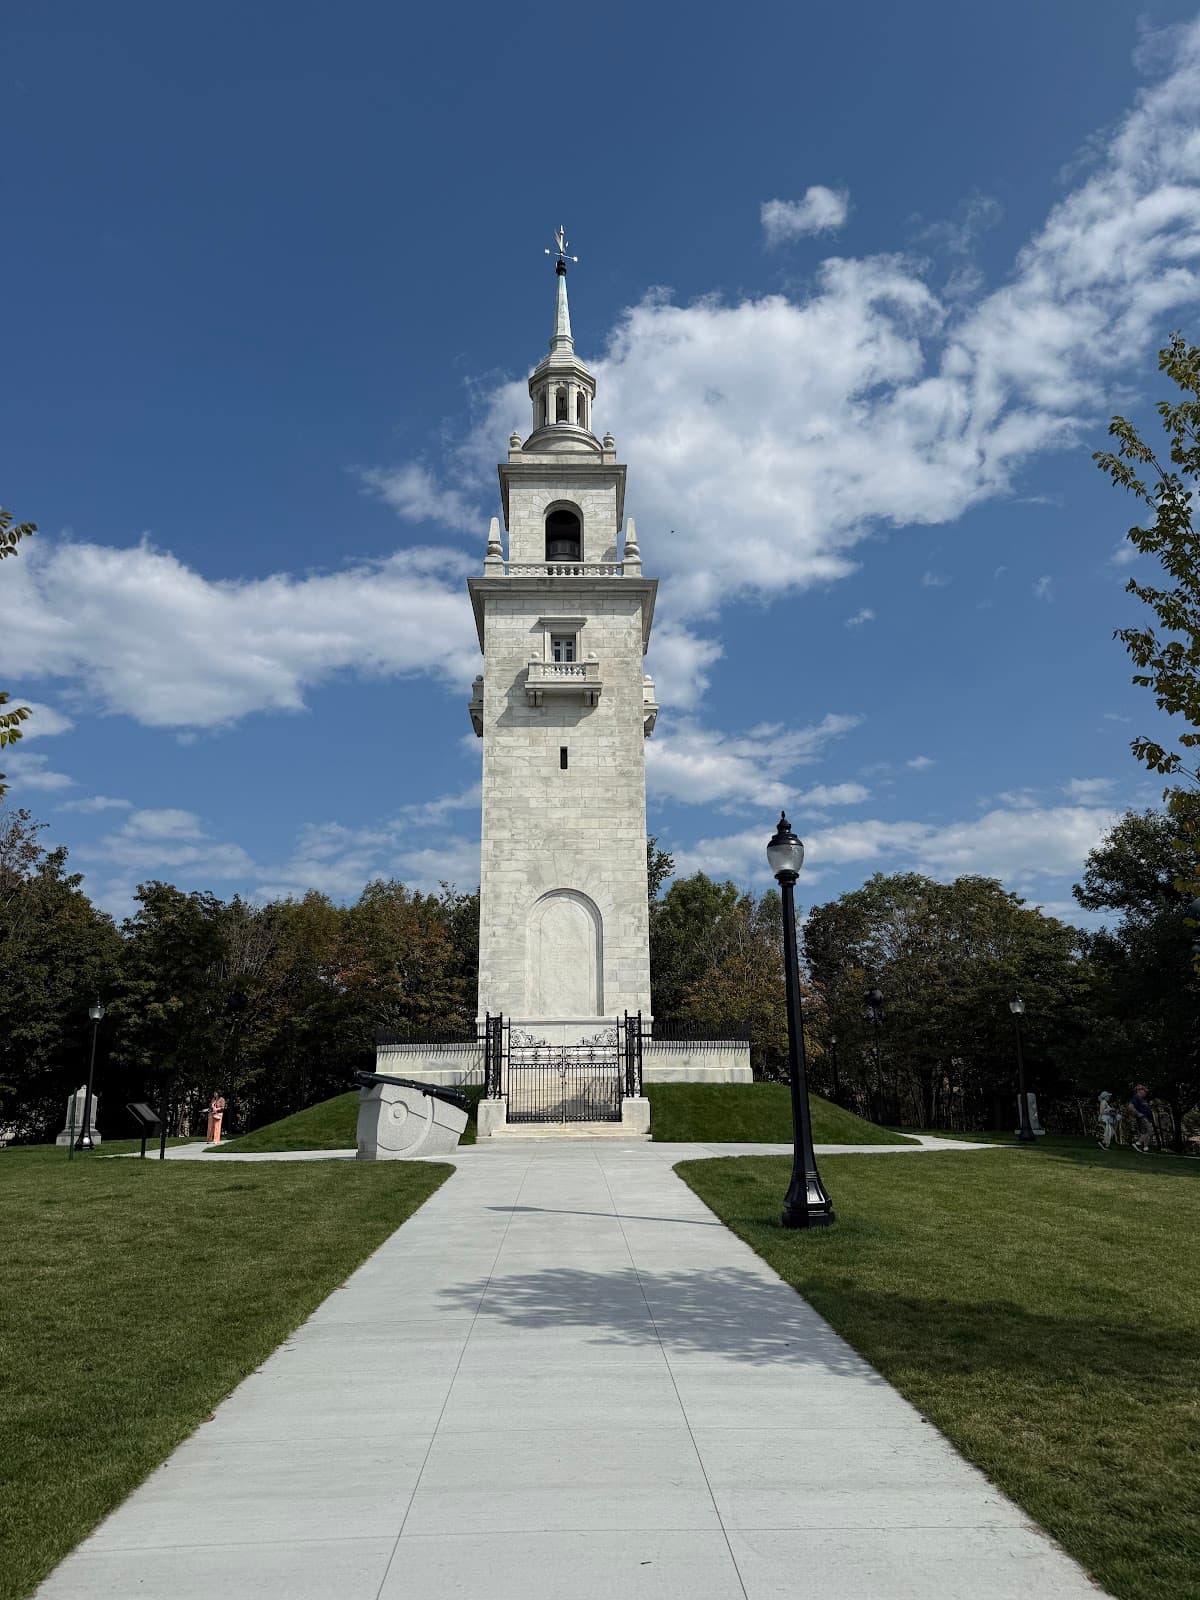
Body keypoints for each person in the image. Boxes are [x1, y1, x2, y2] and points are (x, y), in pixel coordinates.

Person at [1128, 1083, 1154, 1153]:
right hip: (1142, 1117)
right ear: (1139, 1090)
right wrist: (1138, 1113)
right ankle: (1137, 1144)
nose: (1145, 1092)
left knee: (1144, 1133)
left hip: (1145, 1117)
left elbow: (1145, 1108)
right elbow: (1130, 1106)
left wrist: (1150, 1106)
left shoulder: (1142, 1099)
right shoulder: (1136, 1097)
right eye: (1144, 1091)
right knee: (1150, 1130)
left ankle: (1145, 1148)